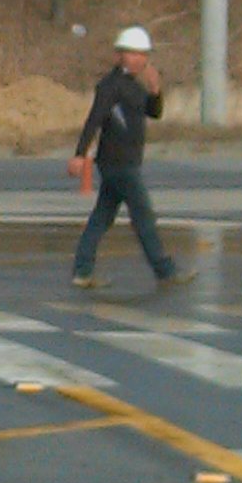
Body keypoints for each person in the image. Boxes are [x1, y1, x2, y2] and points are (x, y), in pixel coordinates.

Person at [70, 25, 180, 288]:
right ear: (119, 55)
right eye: (133, 53)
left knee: (101, 219)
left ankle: (82, 271)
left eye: (143, 54)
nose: (139, 59)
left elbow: (153, 113)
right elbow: (94, 120)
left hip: (126, 163)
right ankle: (165, 271)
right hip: (118, 164)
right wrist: (79, 154)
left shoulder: (134, 86)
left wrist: (155, 91)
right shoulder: (110, 86)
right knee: (144, 217)